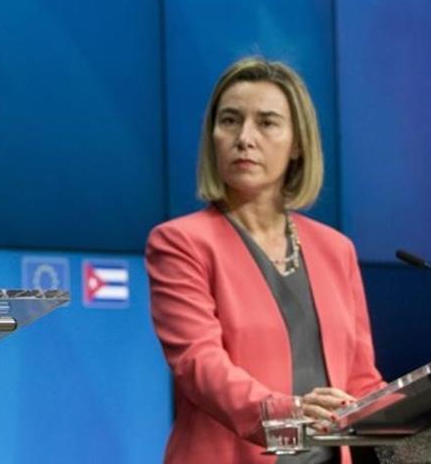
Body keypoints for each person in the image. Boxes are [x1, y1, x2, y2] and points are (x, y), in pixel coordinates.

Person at [146, 57, 383, 464]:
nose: (244, 138)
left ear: (298, 144)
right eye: (230, 121)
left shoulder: (335, 249)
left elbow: (361, 381)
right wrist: (286, 413)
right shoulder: (179, 243)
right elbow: (199, 366)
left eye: (267, 122)